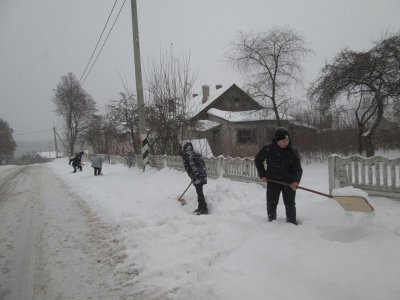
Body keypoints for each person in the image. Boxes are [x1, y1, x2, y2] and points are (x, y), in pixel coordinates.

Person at [254, 127, 303, 225]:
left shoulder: (292, 151)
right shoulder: (268, 149)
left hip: (289, 182)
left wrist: (295, 181)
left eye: (287, 140)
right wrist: (263, 175)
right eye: (283, 140)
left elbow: (298, 169)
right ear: (277, 140)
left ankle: (292, 222)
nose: (286, 143)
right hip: (273, 181)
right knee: (271, 203)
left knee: (290, 204)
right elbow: (258, 160)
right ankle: (271, 221)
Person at [182, 142, 208, 215]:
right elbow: (203, 165)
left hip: (197, 176)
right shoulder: (197, 154)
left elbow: (192, 165)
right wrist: (201, 174)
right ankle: (202, 207)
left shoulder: (189, 155)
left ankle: (204, 209)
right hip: (202, 175)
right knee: (200, 192)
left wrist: (195, 175)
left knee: (199, 192)